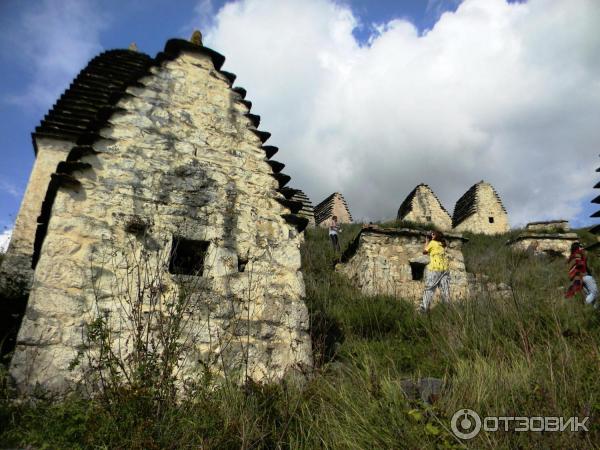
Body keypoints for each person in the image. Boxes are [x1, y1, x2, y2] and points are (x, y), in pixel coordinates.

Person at [419, 230, 451, 312]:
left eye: (433, 234)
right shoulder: (442, 245)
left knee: (429, 288)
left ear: (437, 235)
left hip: (435, 269)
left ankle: (423, 309)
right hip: (445, 270)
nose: (432, 235)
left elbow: (424, 252)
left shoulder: (432, 243)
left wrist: (427, 241)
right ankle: (448, 310)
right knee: (445, 290)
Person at [565, 242, 598, 307]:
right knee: (595, 293)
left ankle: (592, 311)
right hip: (584, 276)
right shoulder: (579, 253)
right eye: (581, 246)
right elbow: (580, 264)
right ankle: (585, 306)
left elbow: (572, 269)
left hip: (577, 278)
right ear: (578, 247)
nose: (582, 247)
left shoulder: (571, 257)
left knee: (590, 295)